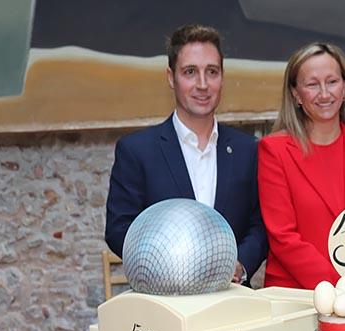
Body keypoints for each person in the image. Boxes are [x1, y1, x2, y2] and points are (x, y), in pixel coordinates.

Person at [105, 24, 267, 285]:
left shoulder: (249, 150)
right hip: (165, 298)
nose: (202, 84)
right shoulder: (136, 151)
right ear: (171, 78)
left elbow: (260, 225)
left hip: (233, 297)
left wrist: (240, 263)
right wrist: (175, 264)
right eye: (190, 72)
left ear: (222, 77)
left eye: (211, 72)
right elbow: (119, 229)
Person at [258, 42, 345, 289]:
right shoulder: (274, 150)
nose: (324, 94)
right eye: (312, 84)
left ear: (344, 87)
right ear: (296, 94)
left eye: (332, 82)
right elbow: (283, 237)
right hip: (297, 295)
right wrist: (341, 286)